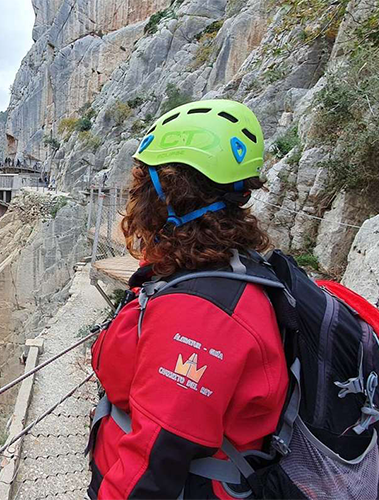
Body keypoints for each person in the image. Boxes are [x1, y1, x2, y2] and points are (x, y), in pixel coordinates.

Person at [88, 100, 288, 499]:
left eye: (142, 184)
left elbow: (154, 465)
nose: (133, 196)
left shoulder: (199, 315)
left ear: (165, 195)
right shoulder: (219, 269)